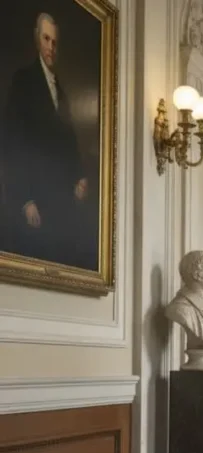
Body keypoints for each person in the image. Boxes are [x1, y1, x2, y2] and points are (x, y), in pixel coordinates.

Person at [1, 13, 92, 269]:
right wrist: (25, 199)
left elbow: (67, 138)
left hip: (61, 196)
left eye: (54, 41)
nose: (51, 47)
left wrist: (79, 176)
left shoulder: (59, 89)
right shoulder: (24, 80)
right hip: (34, 195)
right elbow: (12, 142)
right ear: (36, 40)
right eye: (46, 39)